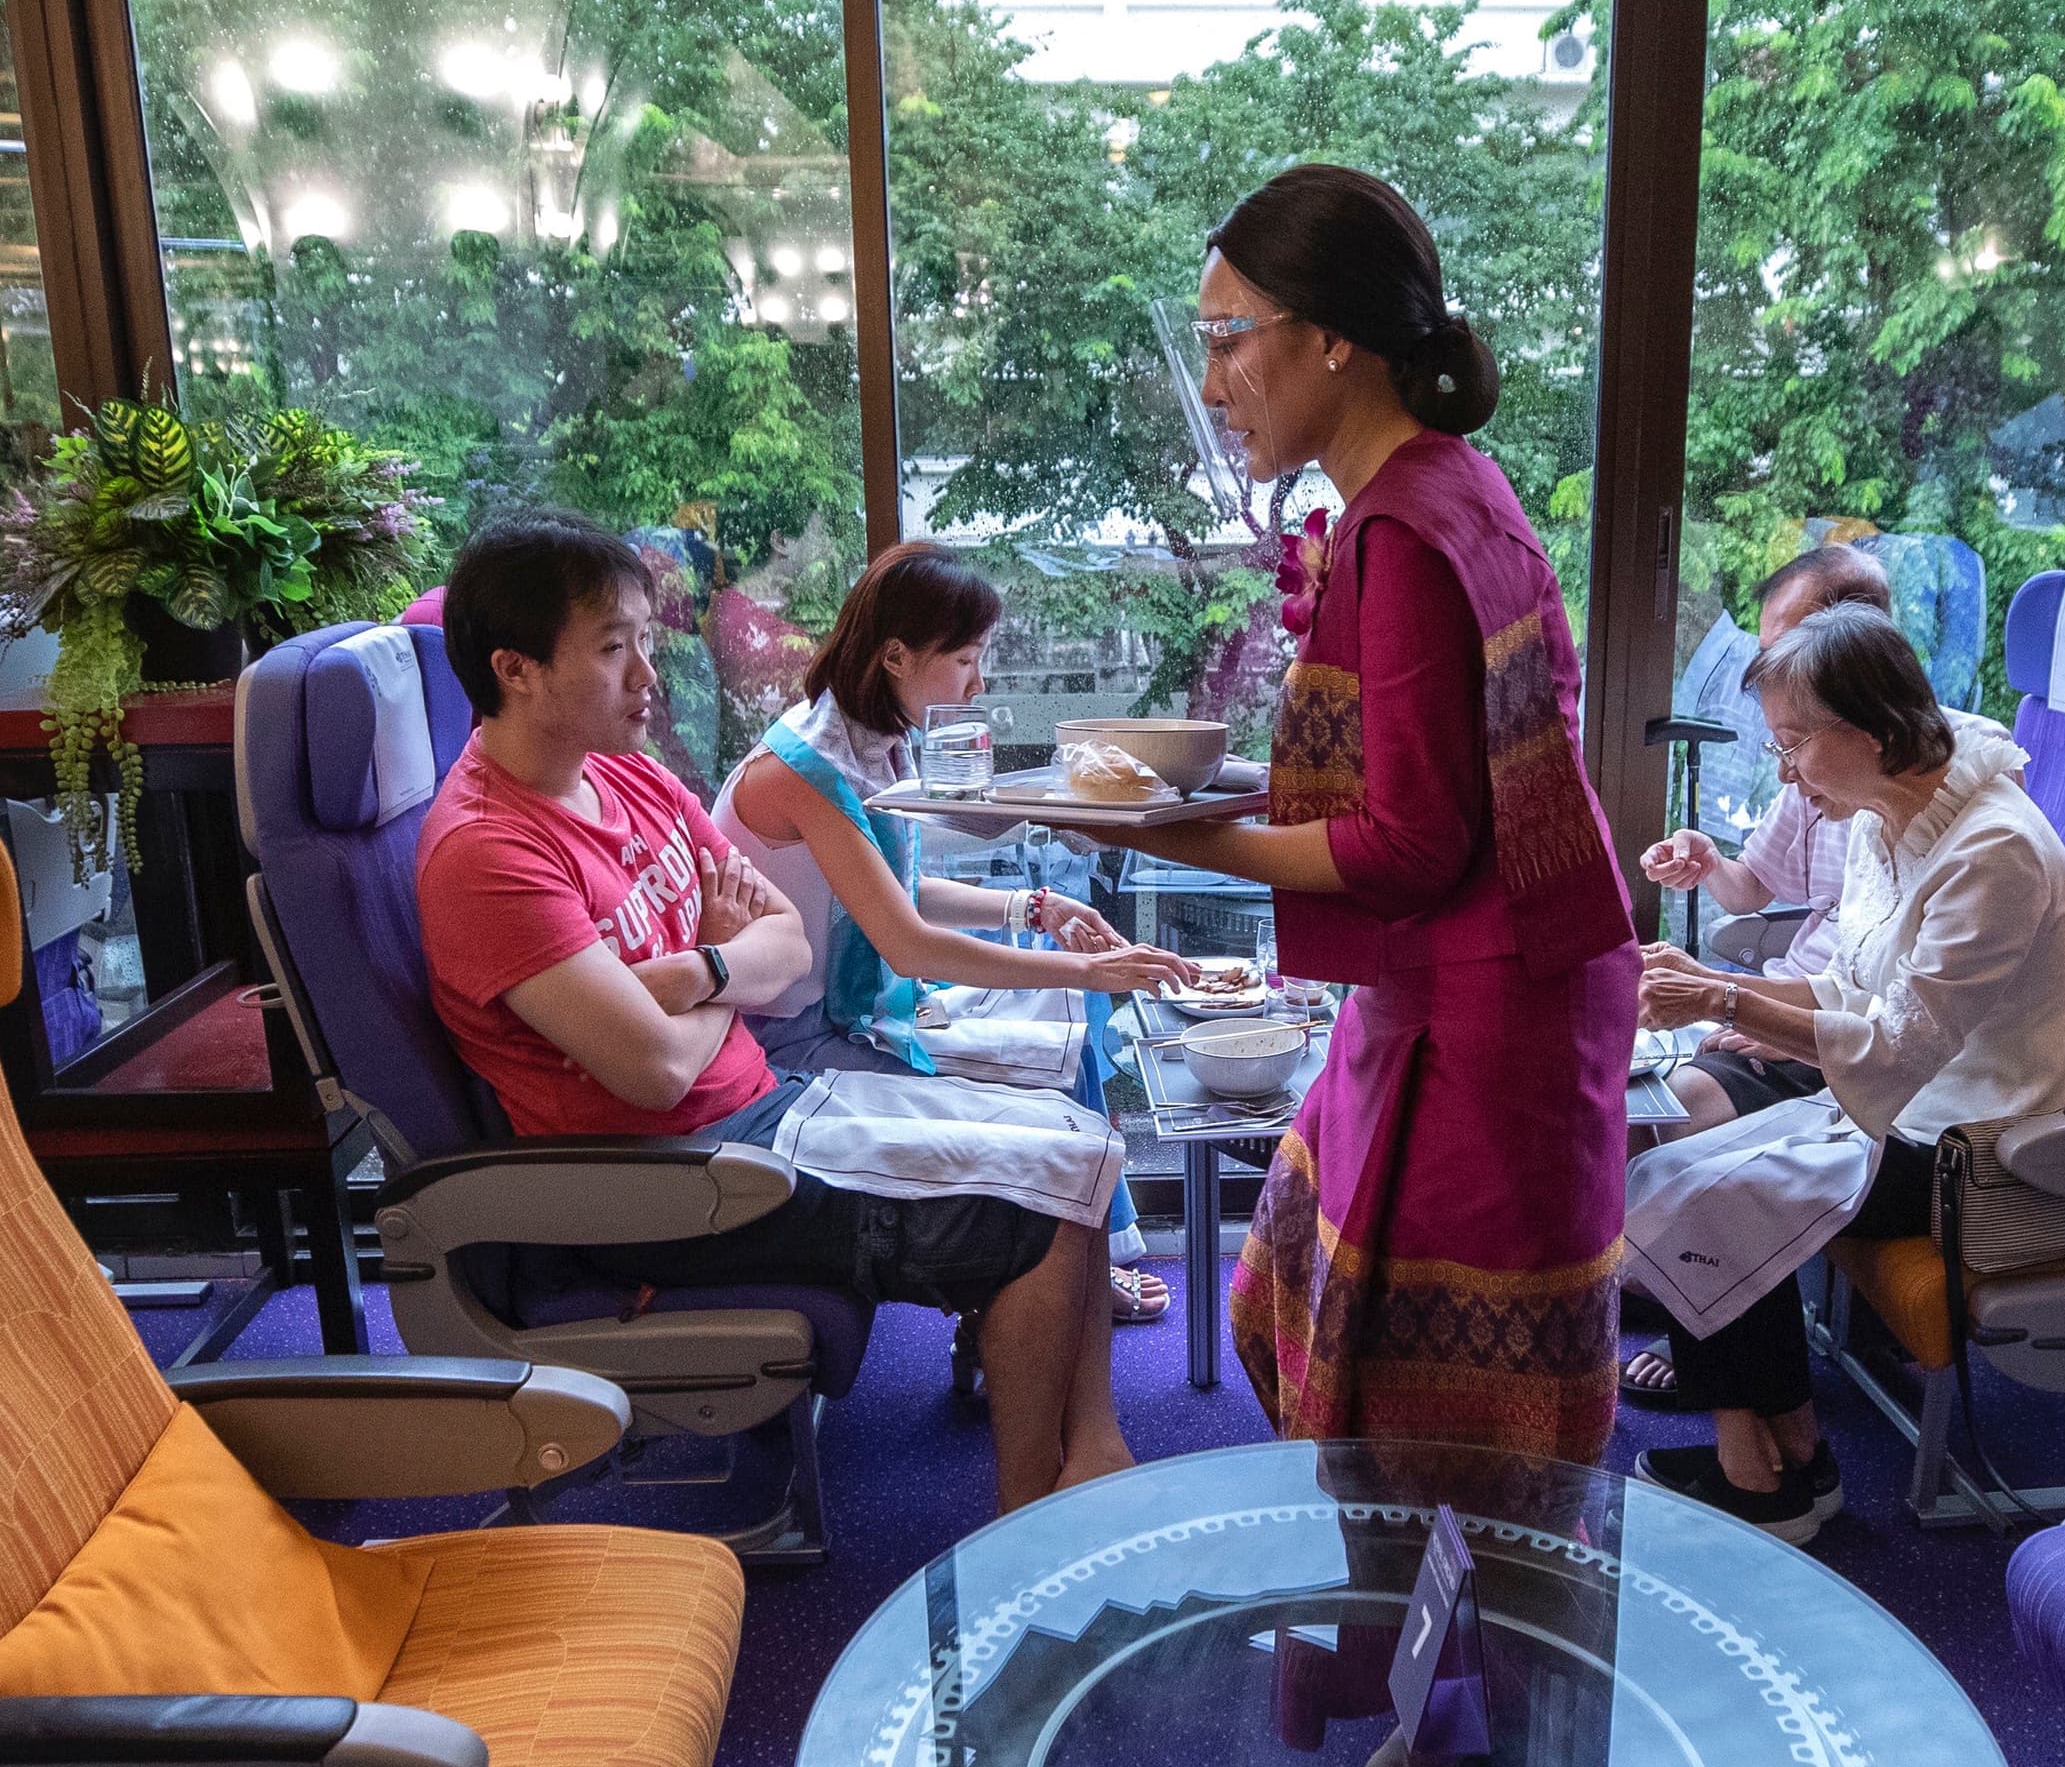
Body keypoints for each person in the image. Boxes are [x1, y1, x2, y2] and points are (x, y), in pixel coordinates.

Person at [413, 512, 1133, 1511]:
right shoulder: (490, 857)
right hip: (682, 1187)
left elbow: (786, 942)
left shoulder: (631, 777)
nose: (648, 677)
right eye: (613, 649)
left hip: (766, 1109)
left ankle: (1084, 1458)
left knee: (1076, 1148)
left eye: (646, 645)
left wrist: (694, 978)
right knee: (1051, 1210)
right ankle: (1031, 1519)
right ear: (517, 669)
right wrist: (725, 967)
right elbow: (657, 1072)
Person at [1125, 163, 1642, 1470]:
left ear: (1334, 338)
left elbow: (1412, 842)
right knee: (1302, 1304)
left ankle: (1429, 1659)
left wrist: (1171, 838)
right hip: (1507, 979)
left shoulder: (1399, 530)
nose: (1217, 378)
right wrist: (1206, 805)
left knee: (1412, 1421)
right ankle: (1439, 1657)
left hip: (1478, 1022)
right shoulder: (1454, 482)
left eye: (1230, 338)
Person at [1615, 604, 2065, 1538]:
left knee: (1717, 1188)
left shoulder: (1995, 854)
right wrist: (1742, 1005)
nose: (1783, 771)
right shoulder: (1884, 811)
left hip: (1981, 1144)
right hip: (1891, 1095)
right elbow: (1854, 981)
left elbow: (1904, 1047)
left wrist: (1729, 1002)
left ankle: (1767, 1473)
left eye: (1793, 745)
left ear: (1868, 733)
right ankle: (1797, 1453)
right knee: (1671, 1142)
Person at [718, 541, 1193, 1326]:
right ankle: (1031, 1300)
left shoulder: (861, 743)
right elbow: (906, 942)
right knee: (1047, 1093)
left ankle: (1056, 1291)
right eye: (967, 658)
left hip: (849, 1008)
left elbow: (887, 892)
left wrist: (1034, 910)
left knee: (1066, 1040)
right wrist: (1089, 970)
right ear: (897, 657)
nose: (981, 681)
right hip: (795, 1046)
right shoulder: (803, 772)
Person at [1634, 542, 1894, 1135]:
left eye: (1784, 654)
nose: (1784, 770)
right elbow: (1751, 890)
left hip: (1824, 1041)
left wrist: (1725, 1000)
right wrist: (1710, 863)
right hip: (1795, 1005)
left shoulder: (1918, 807)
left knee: (1650, 1122)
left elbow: (1893, 1029)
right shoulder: (1817, 775)